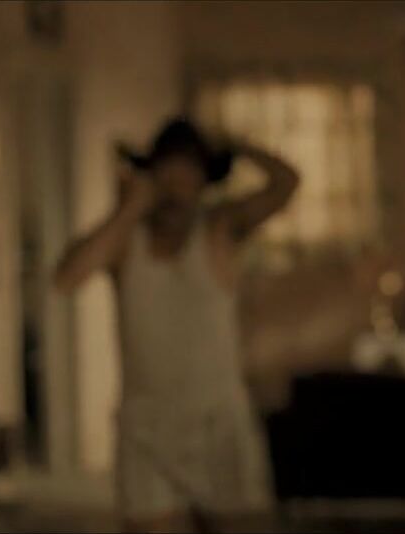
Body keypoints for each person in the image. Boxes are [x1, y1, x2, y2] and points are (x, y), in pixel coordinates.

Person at [54, 118, 298, 532]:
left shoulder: (220, 229)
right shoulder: (126, 241)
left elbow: (286, 185)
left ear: (203, 182)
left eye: (187, 177)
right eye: (167, 176)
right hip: (146, 431)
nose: (176, 190)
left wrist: (238, 145)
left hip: (219, 426)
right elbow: (66, 278)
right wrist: (128, 208)